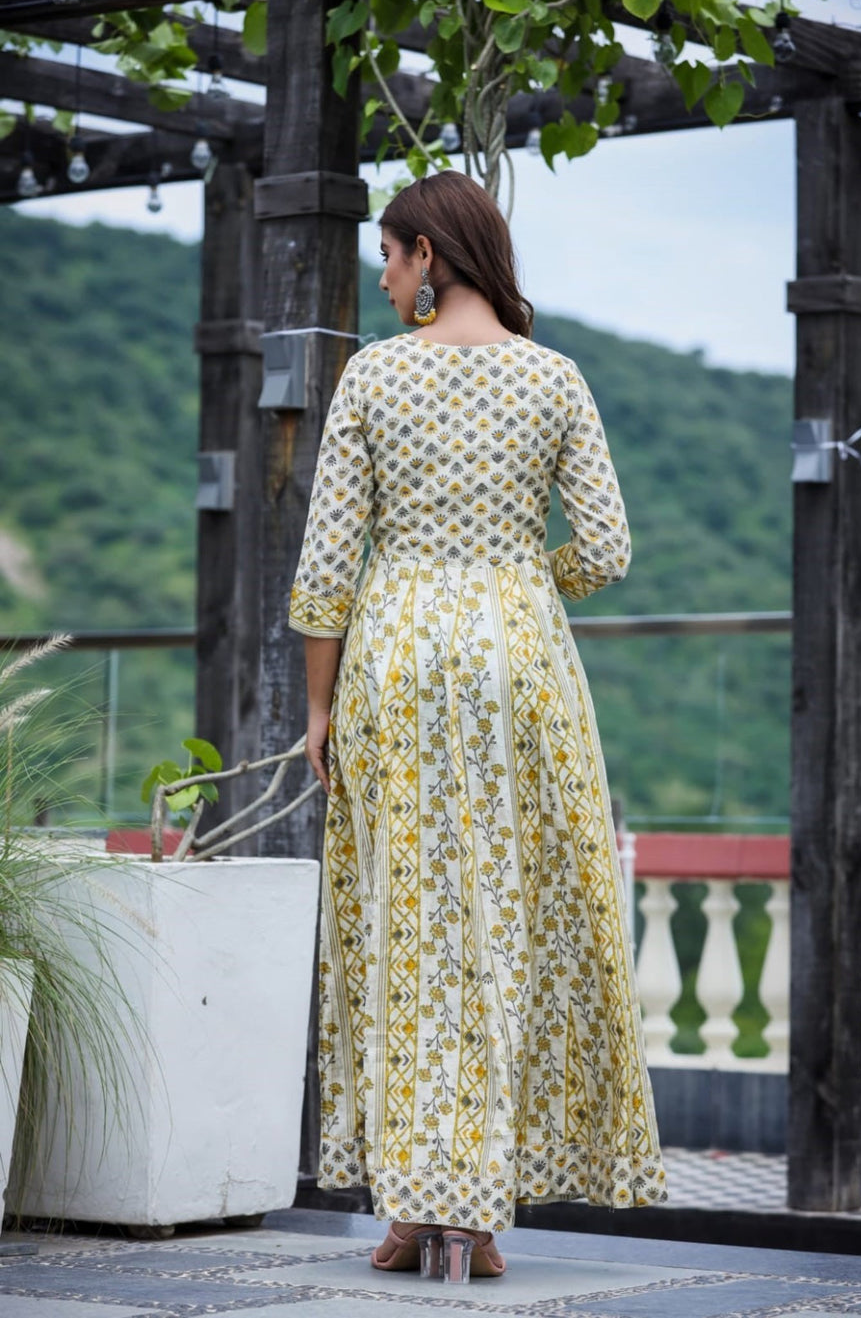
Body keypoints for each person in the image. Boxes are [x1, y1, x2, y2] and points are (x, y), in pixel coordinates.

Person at [289, 170, 666, 1284]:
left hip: (396, 654)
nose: (384, 270)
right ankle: (482, 1216)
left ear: (427, 258)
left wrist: (317, 708)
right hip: (519, 664)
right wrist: (515, 582)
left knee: (402, 926)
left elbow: (325, 571)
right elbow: (603, 551)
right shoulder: (555, 378)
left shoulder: (375, 375)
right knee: (513, 919)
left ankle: (410, 1209)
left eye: (391, 253)